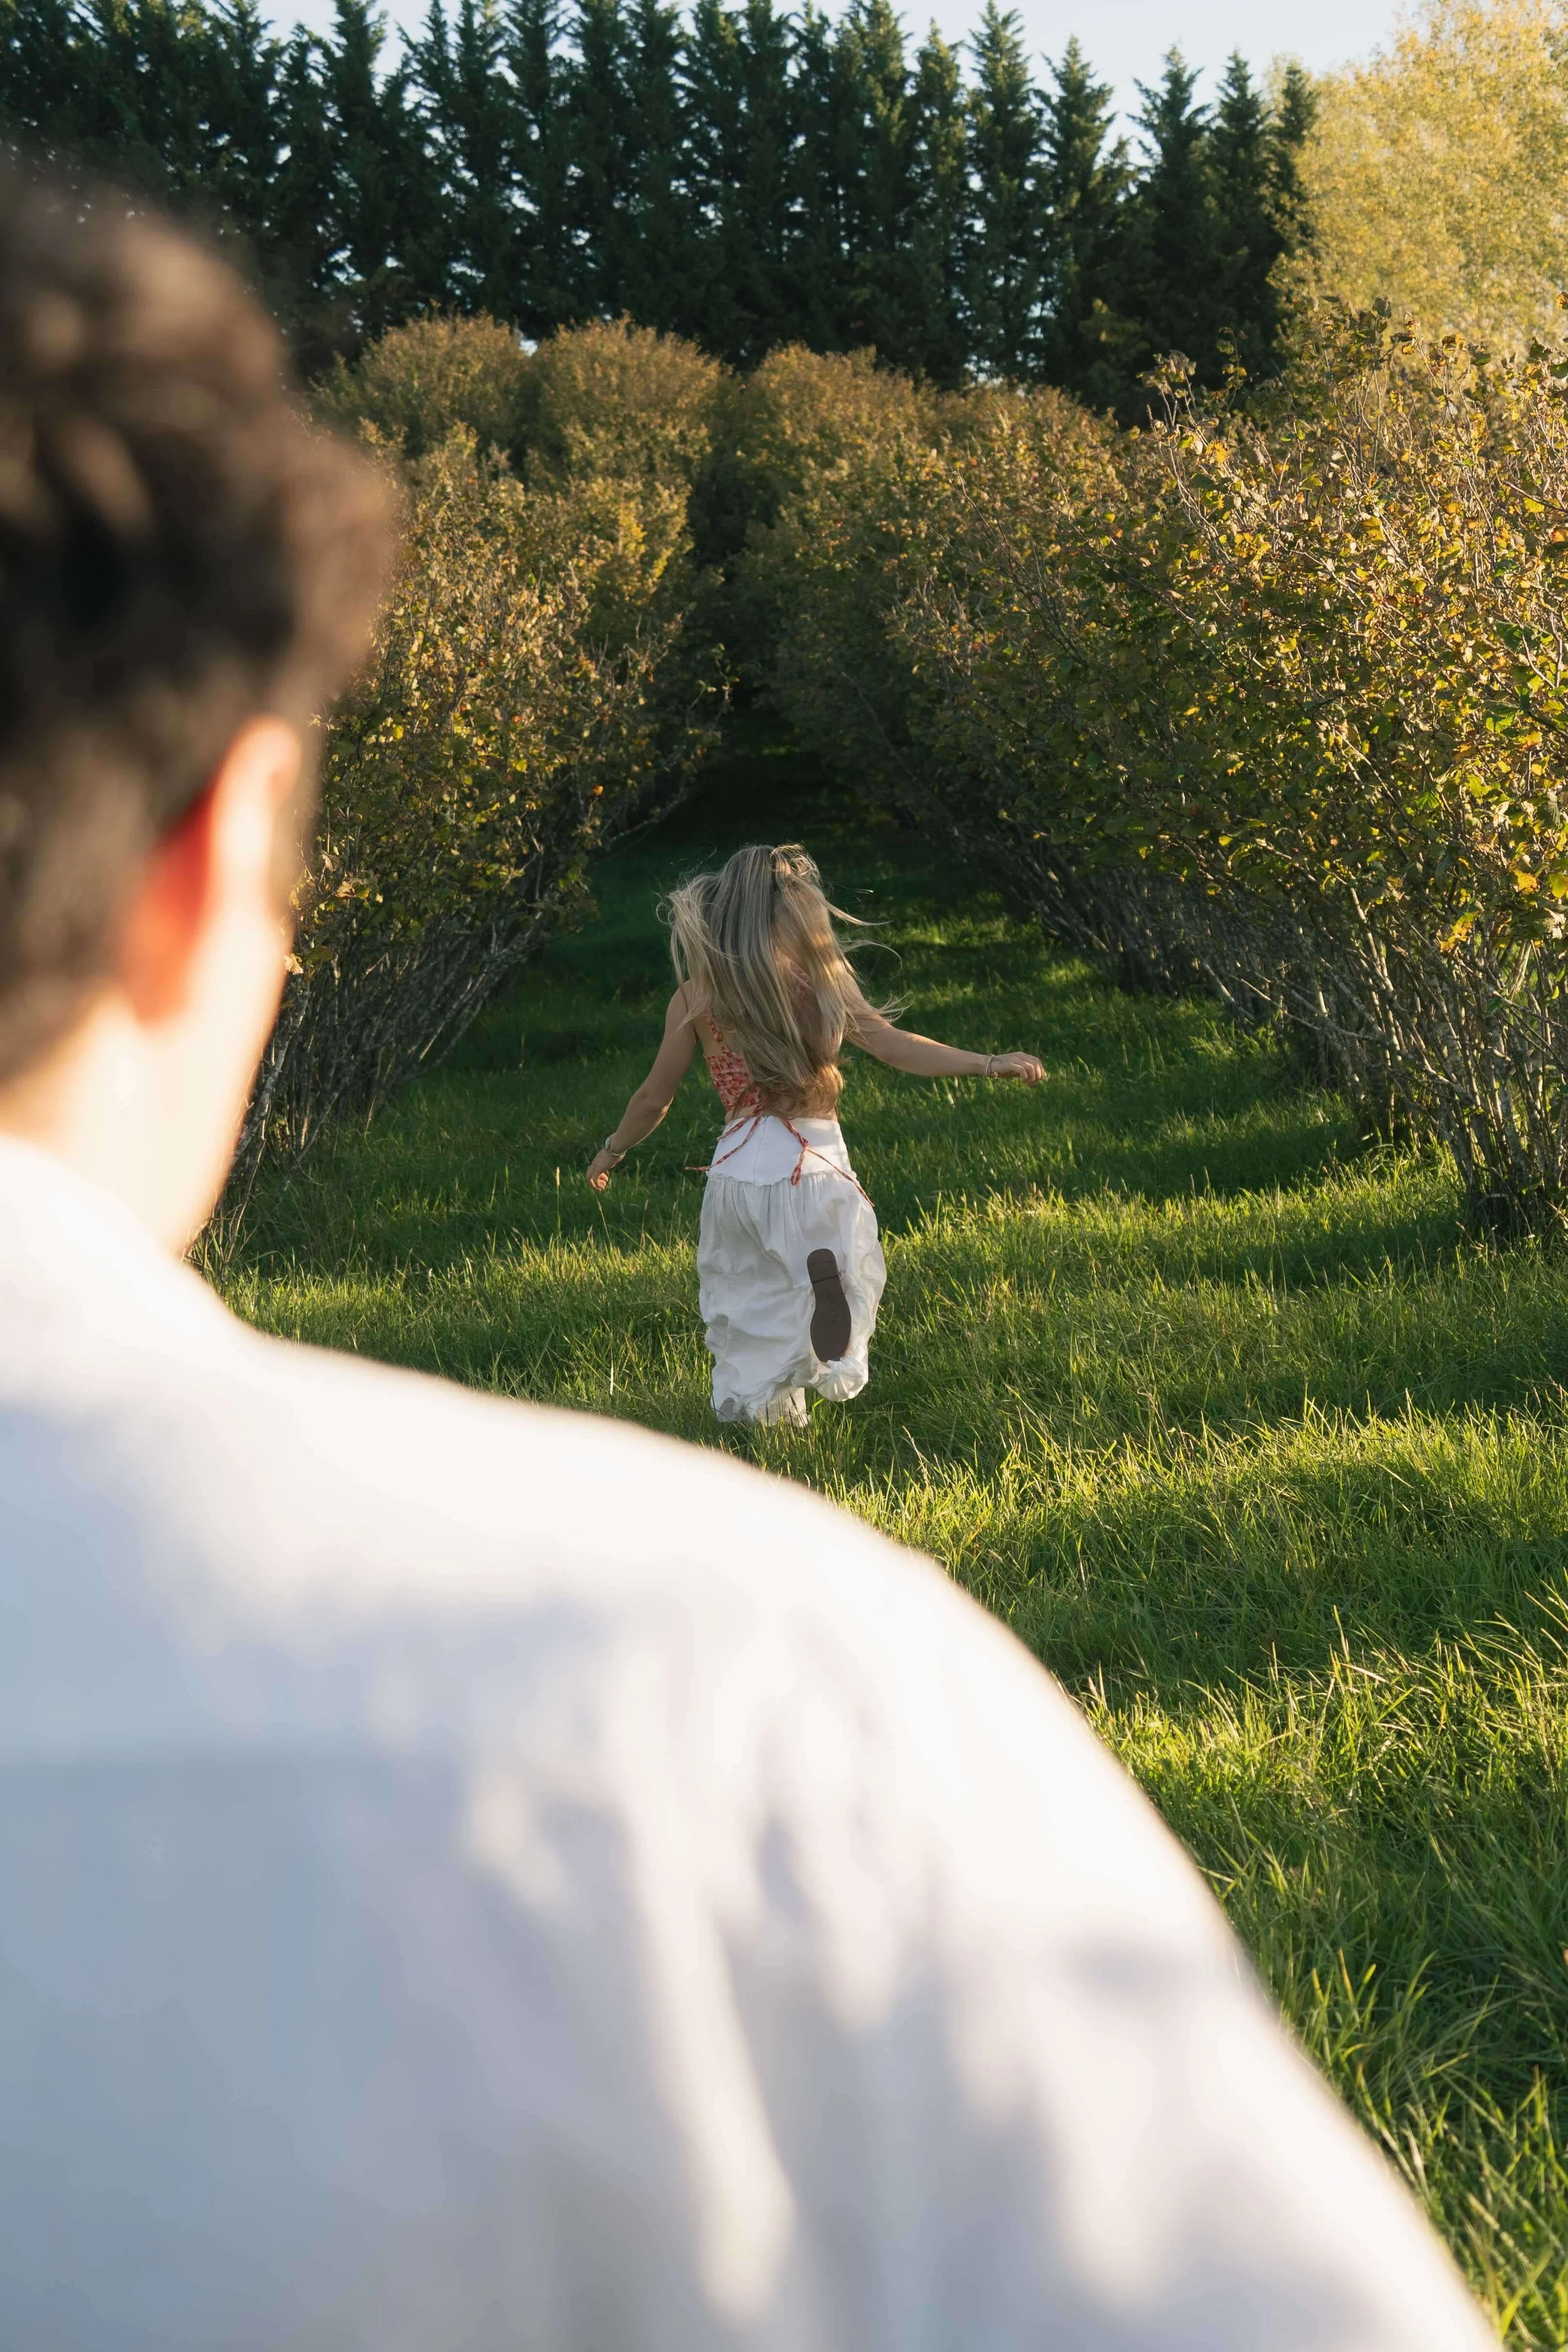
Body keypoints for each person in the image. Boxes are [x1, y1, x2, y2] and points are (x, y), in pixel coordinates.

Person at [0, 155, 1499, 2352]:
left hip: (759, 1186)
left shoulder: (727, 1026)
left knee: (780, 1301)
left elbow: (722, 1072)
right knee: (809, 1301)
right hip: (792, 1199)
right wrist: (959, 1075)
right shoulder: (730, 1733)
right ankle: (805, 1399)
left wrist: (719, 1131)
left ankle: (797, 1390)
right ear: (218, 841)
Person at [586, 843, 1045, 1425]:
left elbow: (655, 1096)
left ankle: (769, 1433)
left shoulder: (697, 994)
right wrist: (986, 1061)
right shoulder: (820, 981)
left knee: (751, 1305)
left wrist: (612, 1151)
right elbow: (891, 1045)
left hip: (734, 1173)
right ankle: (829, 1319)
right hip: (811, 1162)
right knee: (839, 1270)